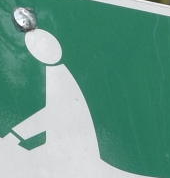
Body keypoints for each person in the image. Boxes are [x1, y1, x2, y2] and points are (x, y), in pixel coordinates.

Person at [5, 15, 100, 165]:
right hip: (65, 147)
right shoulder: (56, 72)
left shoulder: (59, 76)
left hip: (72, 152)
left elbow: (55, 112)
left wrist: (16, 135)